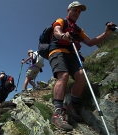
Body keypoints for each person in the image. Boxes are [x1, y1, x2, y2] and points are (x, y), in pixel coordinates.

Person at [49, 1, 117, 131]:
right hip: (57, 51)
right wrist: (63, 35)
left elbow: (90, 42)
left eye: (79, 12)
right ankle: (57, 112)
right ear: (68, 11)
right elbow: (57, 31)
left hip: (73, 54)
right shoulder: (61, 21)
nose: (77, 13)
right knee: (63, 75)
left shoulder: (79, 30)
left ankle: (71, 106)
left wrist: (106, 34)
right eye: (75, 10)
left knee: (81, 76)